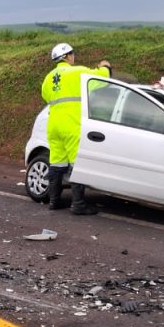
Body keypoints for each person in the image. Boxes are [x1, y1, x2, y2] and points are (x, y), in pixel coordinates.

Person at [41, 43, 111, 215]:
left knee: (56, 164)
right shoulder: (77, 72)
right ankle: (78, 204)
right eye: (72, 54)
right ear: (67, 56)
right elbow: (101, 78)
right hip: (72, 125)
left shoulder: (48, 78)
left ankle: (54, 201)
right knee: (76, 164)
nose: (74, 56)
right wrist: (105, 66)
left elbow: (46, 96)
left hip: (53, 125)